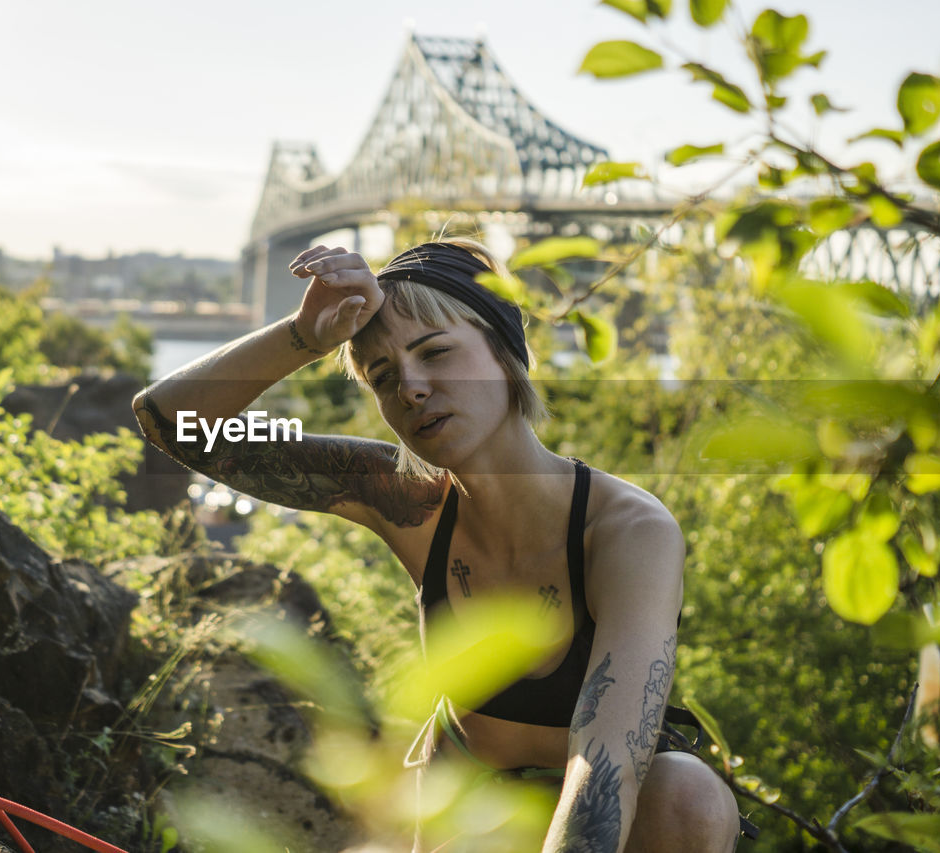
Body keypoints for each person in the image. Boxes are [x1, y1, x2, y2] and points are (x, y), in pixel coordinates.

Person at [132, 240, 742, 852]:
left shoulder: (628, 531)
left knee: (687, 793)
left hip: (618, 826)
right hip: (469, 823)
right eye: (384, 376)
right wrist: (304, 335)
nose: (412, 389)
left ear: (505, 356)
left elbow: (606, 770)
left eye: (437, 352)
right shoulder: (405, 502)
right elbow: (169, 419)